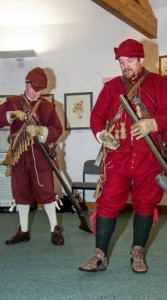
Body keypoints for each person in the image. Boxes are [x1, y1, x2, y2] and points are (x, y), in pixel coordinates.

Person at [79, 39, 167, 273]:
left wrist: (154, 123)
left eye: (130, 61)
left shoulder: (160, 83)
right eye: (121, 62)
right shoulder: (111, 87)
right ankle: (100, 255)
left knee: (145, 204)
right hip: (117, 157)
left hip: (149, 156)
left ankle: (138, 253)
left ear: (141, 60)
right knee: (107, 202)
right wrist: (101, 134)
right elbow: (97, 115)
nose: (125, 66)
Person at [0, 67, 64, 246]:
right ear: (26, 84)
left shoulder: (47, 106)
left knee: (48, 192)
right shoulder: (12, 102)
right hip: (18, 155)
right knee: (21, 193)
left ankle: (54, 229)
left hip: (40, 155)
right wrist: (11, 115)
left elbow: (57, 130)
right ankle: (23, 230)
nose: (36, 92)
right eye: (33, 88)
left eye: (40, 89)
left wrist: (40, 130)